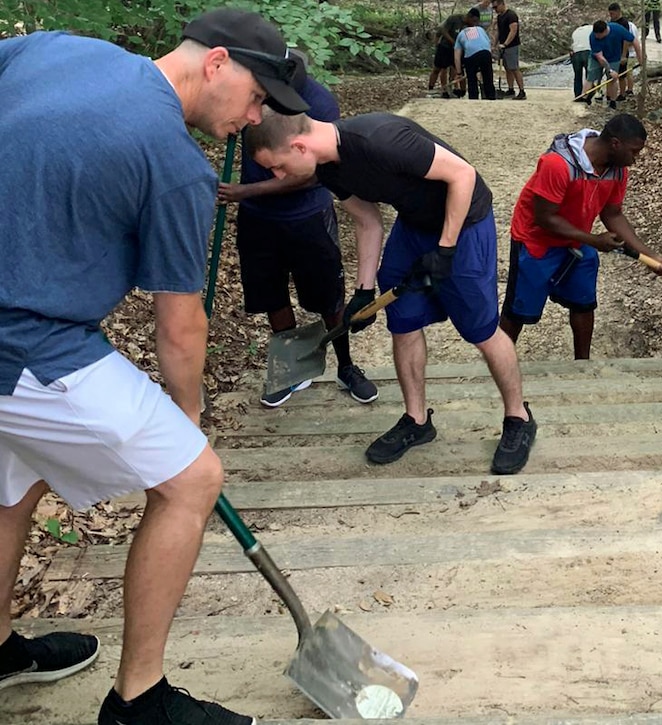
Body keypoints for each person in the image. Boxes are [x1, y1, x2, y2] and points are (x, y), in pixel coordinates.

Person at [0, 8, 307, 725]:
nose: (256, 118)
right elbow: (180, 326)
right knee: (192, 479)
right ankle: (139, 700)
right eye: (259, 98)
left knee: (13, 485)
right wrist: (188, 427)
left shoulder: (58, 52)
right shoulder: (173, 164)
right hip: (26, 344)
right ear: (218, 63)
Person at [246, 111, 538, 475]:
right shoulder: (325, 168)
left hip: (464, 223)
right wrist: (363, 290)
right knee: (402, 322)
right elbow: (368, 220)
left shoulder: (381, 139)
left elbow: (463, 174)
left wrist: (445, 250)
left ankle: (518, 417)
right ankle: (417, 421)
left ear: (299, 146)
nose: (278, 177)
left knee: (480, 330)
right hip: (413, 227)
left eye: (276, 167)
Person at [218, 52, 378, 408]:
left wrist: (243, 192)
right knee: (271, 295)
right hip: (259, 221)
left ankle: (347, 366)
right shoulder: (253, 94)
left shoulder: (318, 103)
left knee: (328, 297)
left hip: (308, 216)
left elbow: (311, 174)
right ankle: (291, 370)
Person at [499, 114, 662, 359]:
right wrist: (594, 240)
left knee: (583, 302)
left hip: (577, 241)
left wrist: (649, 255)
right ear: (615, 144)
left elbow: (613, 214)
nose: (635, 160)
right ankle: (498, 365)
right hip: (536, 242)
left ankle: (583, 365)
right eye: (634, 152)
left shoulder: (618, 172)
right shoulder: (558, 163)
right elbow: (545, 218)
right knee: (518, 310)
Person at [588, 19, 634, 109]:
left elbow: (632, 41)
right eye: (596, 34)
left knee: (613, 79)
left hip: (614, 57)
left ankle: (613, 101)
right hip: (600, 57)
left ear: (605, 31)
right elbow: (600, 57)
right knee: (591, 77)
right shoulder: (593, 37)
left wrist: (639, 58)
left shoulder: (618, 30)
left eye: (599, 35)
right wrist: (610, 70)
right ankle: (586, 98)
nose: (596, 36)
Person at [454, 8, 497, 100]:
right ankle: (491, 97)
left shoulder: (461, 34)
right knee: (488, 77)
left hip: (471, 55)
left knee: (472, 79)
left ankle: (473, 98)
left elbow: (457, 56)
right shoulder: (480, 29)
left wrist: (459, 72)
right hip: (485, 53)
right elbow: (488, 43)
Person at [607, 2, 642, 101]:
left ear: (618, 12)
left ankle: (622, 94)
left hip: (621, 51)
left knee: (622, 75)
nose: (611, 16)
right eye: (610, 14)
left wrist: (623, 54)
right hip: (612, 52)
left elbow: (626, 40)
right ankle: (609, 95)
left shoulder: (624, 23)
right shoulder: (611, 22)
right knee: (610, 74)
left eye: (612, 14)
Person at [428, 11, 466, 98]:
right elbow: (441, 31)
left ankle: (456, 89)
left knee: (456, 69)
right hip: (445, 47)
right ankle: (436, 89)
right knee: (440, 69)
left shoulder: (468, 26)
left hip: (457, 49)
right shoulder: (453, 19)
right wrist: (437, 44)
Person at [493, 0, 525, 100]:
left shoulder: (511, 15)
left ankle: (522, 91)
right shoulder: (499, 17)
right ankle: (510, 89)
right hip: (503, 46)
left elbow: (513, 30)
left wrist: (506, 43)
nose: (495, 10)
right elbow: (499, 31)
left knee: (514, 68)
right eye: (493, 8)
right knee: (507, 68)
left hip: (512, 46)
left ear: (502, 4)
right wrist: (495, 44)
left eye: (496, 7)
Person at [570, 23, 593, 103]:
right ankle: (587, 96)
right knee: (589, 76)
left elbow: (572, 44)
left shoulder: (576, 31)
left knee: (577, 76)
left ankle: (578, 95)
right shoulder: (592, 28)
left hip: (576, 53)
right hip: (588, 52)